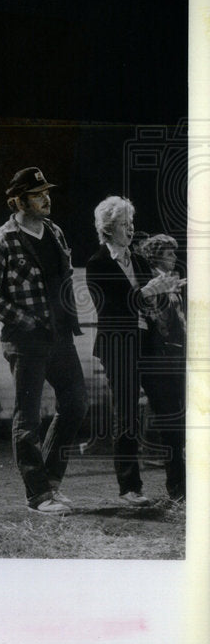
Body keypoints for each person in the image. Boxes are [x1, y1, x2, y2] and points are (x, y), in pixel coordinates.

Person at [0, 167, 88, 515]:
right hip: (25, 341)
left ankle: (50, 482)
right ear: (18, 200)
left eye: (46, 192)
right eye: (37, 194)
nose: (46, 198)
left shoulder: (54, 231)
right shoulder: (0, 240)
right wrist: (24, 320)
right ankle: (37, 495)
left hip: (60, 335)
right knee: (28, 417)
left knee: (76, 403)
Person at [85, 198, 186, 507]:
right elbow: (113, 308)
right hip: (119, 346)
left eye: (131, 222)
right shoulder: (97, 264)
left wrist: (165, 289)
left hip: (150, 345)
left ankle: (180, 488)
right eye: (123, 223)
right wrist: (147, 292)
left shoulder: (139, 261)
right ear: (107, 229)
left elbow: (149, 301)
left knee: (170, 412)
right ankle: (130, 488)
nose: (130, 228)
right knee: (127, 416)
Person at [135, 233, 186, 502]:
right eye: (169, 254)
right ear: (155, 257)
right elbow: (158, 321)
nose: (174, 258)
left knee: (178, 423)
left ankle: (181, 485)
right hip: (160, 361)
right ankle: (177, 487)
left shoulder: (170, 282)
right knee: (172, 424)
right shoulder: (152, 282)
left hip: (174, 357)